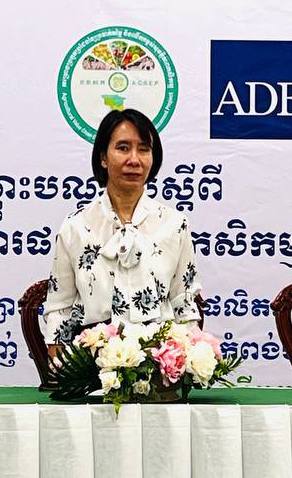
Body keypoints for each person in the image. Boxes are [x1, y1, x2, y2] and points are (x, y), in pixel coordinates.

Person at [44, 108, 201, 354]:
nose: (134, 160)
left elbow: (185, 303)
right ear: (103, 158)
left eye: (144, 149)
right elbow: (59, 308)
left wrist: (187, 362)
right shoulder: (76, 226)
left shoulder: (174, 224)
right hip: (91, 360)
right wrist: (61, 370)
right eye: (123, 148)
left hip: (159, 362)